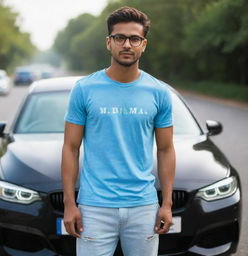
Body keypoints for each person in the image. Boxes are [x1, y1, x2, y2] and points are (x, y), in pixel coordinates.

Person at [61, 6, 176, 256]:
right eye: (119, 37)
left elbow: (166, 150)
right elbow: (71, 148)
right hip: (94, 206)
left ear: (143, 44)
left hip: (143, 206)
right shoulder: (84, 89)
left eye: (134, 38)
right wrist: (69, 203)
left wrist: (166, 204)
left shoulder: (158, 92)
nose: (127, 44)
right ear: (108, 42)